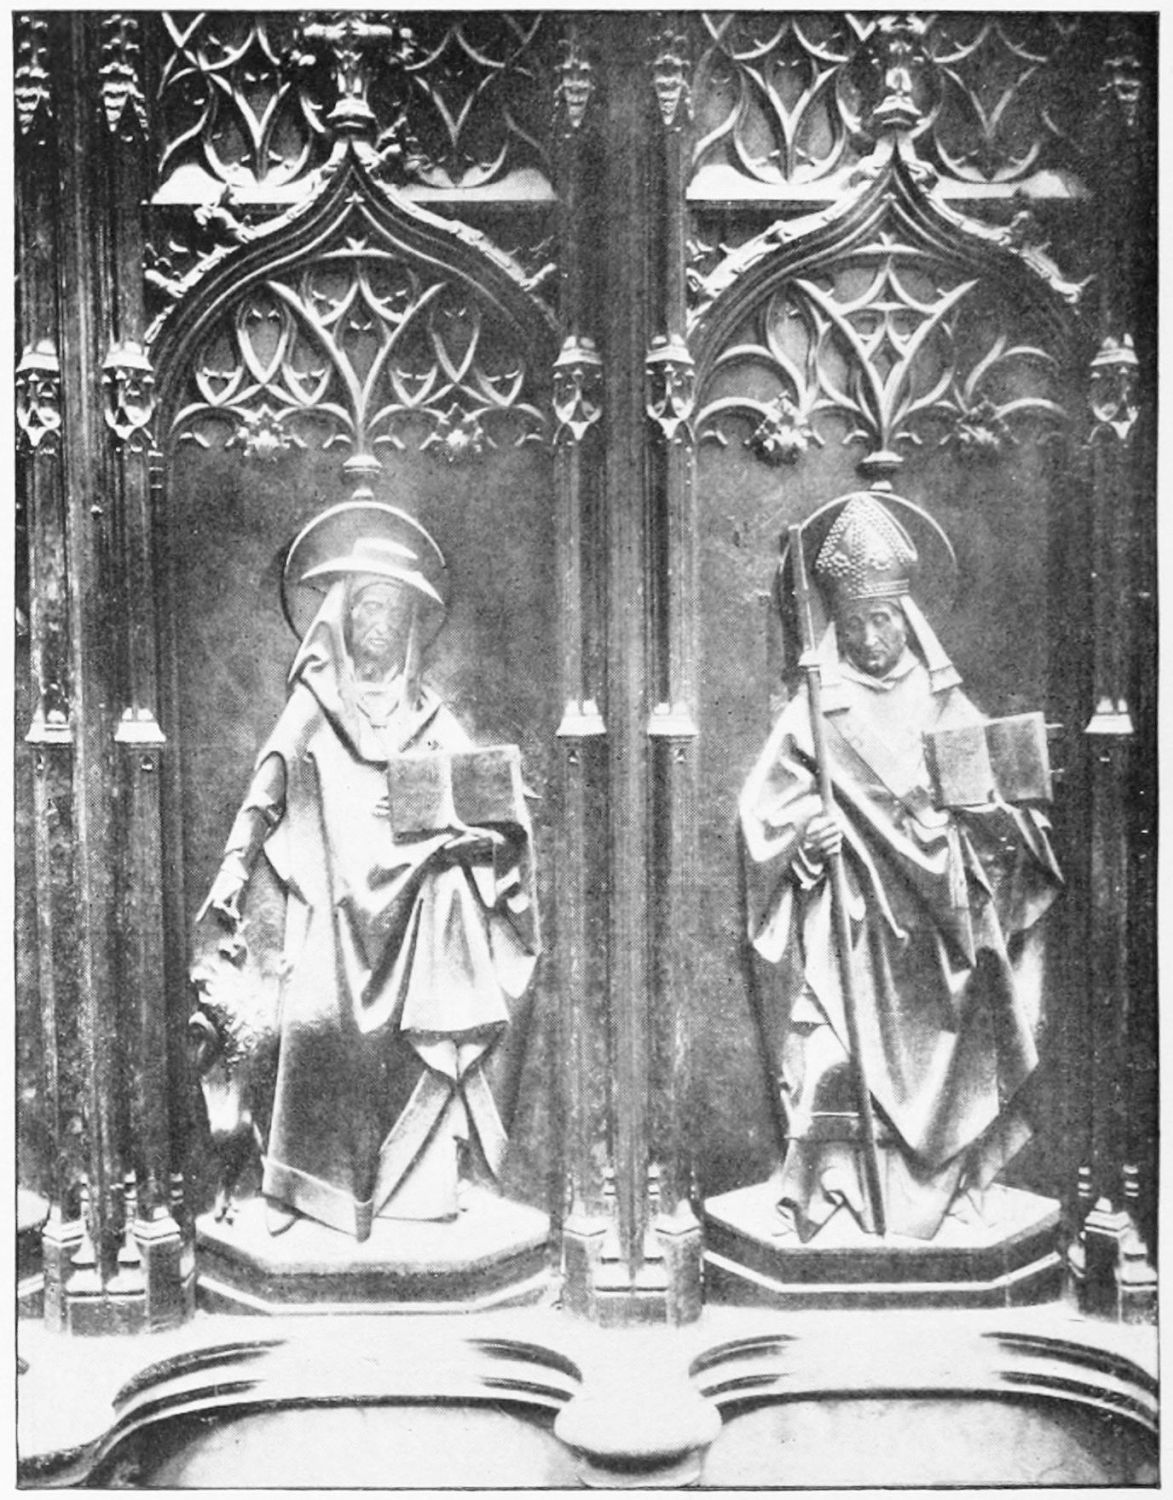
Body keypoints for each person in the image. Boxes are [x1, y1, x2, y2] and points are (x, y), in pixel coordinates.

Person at [196, 501, 539, 1240]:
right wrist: (233, 868)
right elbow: (268, 785)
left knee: (451, 921)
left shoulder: (429, 715)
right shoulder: (317, 702)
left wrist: (479, 825)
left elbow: (484, 802)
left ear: (411, 626)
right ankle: (301, 1187)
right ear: (343, 621)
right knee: (314, 1020)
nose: (377, 624)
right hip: (335, 903)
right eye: (366, 608)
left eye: (392, 611)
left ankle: (417, 1189)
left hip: (414, 911)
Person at [739, 493, 1061, 1241]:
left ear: (907, 617)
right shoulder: (816, 708)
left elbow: (1013, 820)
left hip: (944, 933)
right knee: (828, 1059)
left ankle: (953, 1185)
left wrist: (977, 822)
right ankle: (835, 1187)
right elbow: (764, 818)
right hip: (855, 930)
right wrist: (807, 842)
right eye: (853, 623)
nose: (869, 637)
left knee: (975, 1018)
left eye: (882, 620)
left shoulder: (944, 703)